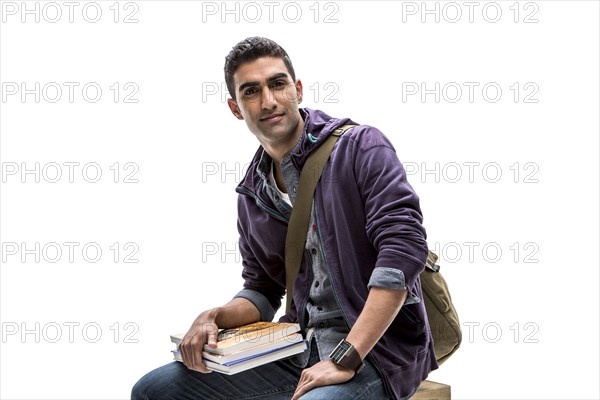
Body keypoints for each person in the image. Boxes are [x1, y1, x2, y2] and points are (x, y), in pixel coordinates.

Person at [131, 36, 437, 400]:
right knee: (153, 390)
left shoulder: (361, 147)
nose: (269, 101)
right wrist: (214, 317)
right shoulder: (253, 193)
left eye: (278, 84)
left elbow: (404, 251)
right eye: (251, 91)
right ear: (235, 107)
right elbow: (262, 290)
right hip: (298, 347)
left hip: (377, 351)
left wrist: (346, 356)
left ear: (298, 89)